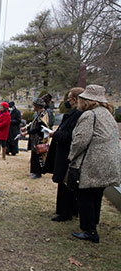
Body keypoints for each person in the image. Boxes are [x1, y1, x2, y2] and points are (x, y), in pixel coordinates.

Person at [68, 84, 121, 243]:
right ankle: (93, 224)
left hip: (93, 163)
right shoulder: (107, 114)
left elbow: (80, 141)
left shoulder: (89, 115)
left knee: (85, 195)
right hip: (108, 163)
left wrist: (72, 156)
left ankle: (89, 230)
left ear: (87, 100)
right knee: (96, 195)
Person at [44, 88, 83, 222]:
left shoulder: (78, 115)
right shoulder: (73, 114)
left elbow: (71, 136)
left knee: (66, 184)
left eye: (69, 98)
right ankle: (66, 210)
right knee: (64, 183)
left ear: (74, 99)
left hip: (68, 154)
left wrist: (55, 134)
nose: (67, 100)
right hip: (63, 153)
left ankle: (66, 212)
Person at [20, 98, 49, 179]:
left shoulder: (43, 115)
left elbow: (39, 128)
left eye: (34, 105)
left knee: (38, 156)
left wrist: (27, 132)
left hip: (40, 138)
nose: (33, 107)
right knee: (34, 155)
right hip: (34, 138)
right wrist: (26, 128)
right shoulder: (39, 114)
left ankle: (38, 173)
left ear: (37, 106)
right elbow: (33, 124)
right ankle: (33, 171)